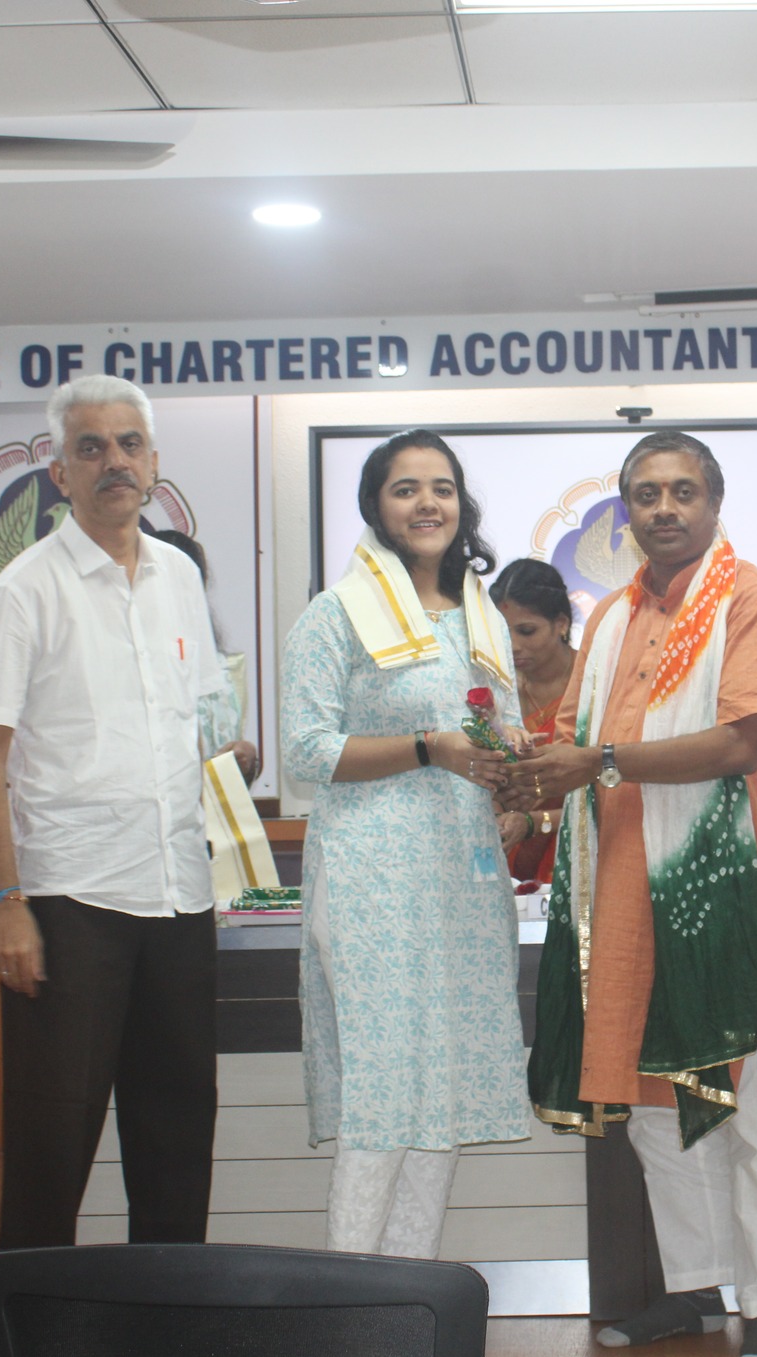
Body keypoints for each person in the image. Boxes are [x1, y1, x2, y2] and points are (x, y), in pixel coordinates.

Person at [511, 430, 757, 1357]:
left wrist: (594, 760)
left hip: (723, 891)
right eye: (647, 494)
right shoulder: (608, 619)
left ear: (714, 503)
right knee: (649, 1102)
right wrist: (519, 769)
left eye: (683, 491)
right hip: (619, 888)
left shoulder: (755, 601)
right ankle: (696, 1287)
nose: (665, 508)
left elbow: (739, 743)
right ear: (628, 511)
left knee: (748, 1094)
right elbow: (566, 740)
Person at [0, 374, 229, 1249]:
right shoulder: (23, 591)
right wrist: (8, 905)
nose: (113, 461)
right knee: (54, 1142)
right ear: (60, 472)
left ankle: (168, 1311)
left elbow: (193, 723)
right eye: (91, 447)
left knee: (177, 1133)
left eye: (128, 444)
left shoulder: (179, 575)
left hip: (179, 895)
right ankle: (34, 1316)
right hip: (70, 901)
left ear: (153, 462)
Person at [280, 429, 532, 1257]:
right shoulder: (335, 613)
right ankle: (351, 1301)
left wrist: (513, 785)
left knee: (441, 1097)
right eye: (406, 488)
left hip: (464, 879)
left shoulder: (482, 614)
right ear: (375, 506)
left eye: (442, 488)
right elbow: (306, 751)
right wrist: (429, 747)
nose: (428, 503)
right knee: (386, 1096)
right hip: (372, 882)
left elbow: (503, 733)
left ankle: (413, 1298)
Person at [489, 557, 578, 888]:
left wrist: (534, 821)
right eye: (502, 631)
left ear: (561, 624)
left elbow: (614, 792)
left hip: (582, 849)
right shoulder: (495, 693)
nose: (513, 646)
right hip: (507, 855)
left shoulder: (596, 685)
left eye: (527, 631)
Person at [147, 527, 258, 782]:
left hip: (206, 805)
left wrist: (245, 757)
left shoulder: (224, 671)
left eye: (188, 583)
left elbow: (231, 773)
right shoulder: (127, 664)